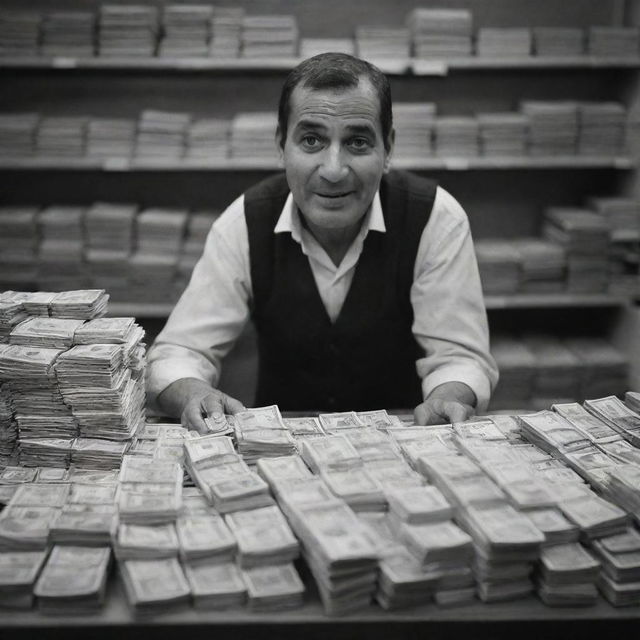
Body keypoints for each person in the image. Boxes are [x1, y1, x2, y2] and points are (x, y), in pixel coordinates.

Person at [146, 53, 498, 432]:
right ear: (282, 146)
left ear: (388, 149)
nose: (333, 170)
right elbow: (180, 352)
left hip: (408, 438)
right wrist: (193, 392)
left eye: (358, 142)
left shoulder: (435, 218)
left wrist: (450, 395)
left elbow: (458, 356)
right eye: (311, 140)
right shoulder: (244, 222)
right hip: (281, 452)